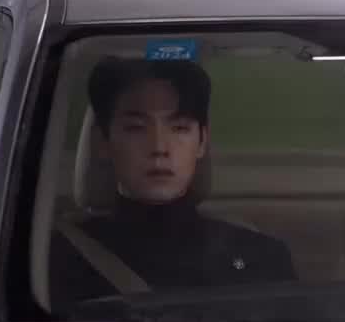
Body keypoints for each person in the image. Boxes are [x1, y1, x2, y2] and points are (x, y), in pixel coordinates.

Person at [50, 56, 296, 306]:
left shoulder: (262, 256)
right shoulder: (55, 260)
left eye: (179, 128)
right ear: (103, 143)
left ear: (201, 142)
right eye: (136, 128)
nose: (159, 147)